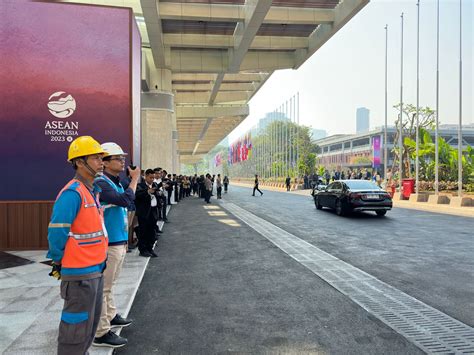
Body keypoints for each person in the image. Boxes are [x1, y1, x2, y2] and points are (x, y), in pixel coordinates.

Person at [47, 136, 108, 355]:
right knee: (75, 328)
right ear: (79, 162)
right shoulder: (72, 193)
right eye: (95, 158)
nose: (101, 162)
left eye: (101, 158)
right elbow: (56, 234)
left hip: (95, 270)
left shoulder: (92, 191)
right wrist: (60, 260)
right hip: (79, 274)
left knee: (89, 326)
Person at [92, 143, 140, 348]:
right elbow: (124, 200)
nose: (122, 162)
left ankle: (110, 315)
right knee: (103, 288)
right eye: (117, 158)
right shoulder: (101, 183)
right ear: (104, 161)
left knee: (109, 286)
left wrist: (129, 190)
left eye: (122, 158)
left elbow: (129, 201)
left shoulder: (117, 183)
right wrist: (135, 179)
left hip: (118, 241)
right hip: (108, 243)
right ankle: (101, 332)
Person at [135, 169, 160, 257]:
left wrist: (159, 194)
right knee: (143, 231)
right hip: (144, 212)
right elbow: (137, 195)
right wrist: (147, 192)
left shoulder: (155, 185)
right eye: (150, 177)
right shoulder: (140, 186)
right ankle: (143, 250)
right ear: (145, 177)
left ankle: (150, 248)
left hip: (153, 211)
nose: (152, 179)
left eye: (153, 178)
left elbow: (157, 195)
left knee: (152, 231)